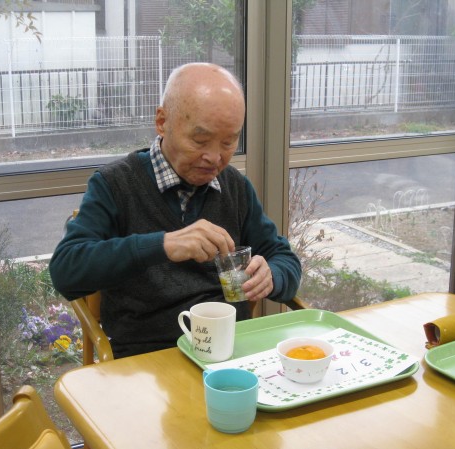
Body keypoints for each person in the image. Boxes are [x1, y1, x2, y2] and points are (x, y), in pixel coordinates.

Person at [49, 62, 302, 359]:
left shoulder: (234, 187)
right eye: (200, 140)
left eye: (229, 142)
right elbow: (66, 271)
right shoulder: (115, 185)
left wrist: (273, 275)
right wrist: (163, 245)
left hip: (229, 350)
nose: (215, 158)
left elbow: (284, 259)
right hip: (147, 358)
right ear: (162, 121)